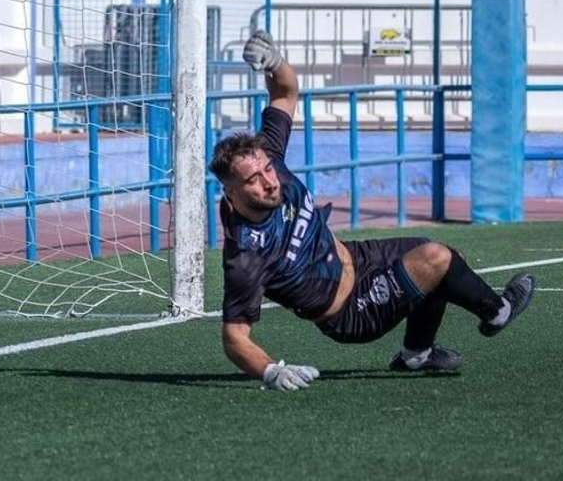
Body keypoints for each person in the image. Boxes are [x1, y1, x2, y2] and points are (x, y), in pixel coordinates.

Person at [215, 30, 536, 391]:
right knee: (435, 259)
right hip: (350, 311)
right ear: (231, 191)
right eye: (254, 180)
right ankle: (497, 313)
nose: (269, 181)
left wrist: (274, 62)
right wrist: (270, 370)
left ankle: (417, 355)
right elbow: (234, 337)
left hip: (360, 257)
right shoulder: (246, 255)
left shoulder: (269, 155)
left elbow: (285, 92)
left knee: (450, 260)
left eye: (267, 170)